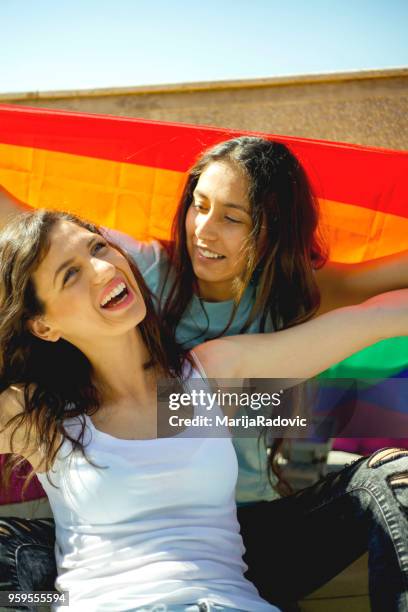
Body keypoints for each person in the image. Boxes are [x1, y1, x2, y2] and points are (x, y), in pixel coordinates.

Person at [0, 138, 408, 610]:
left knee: (387, 466)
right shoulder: (42, 410)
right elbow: (20, 229)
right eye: (70, 275)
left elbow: (379, 312)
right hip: (96, 593)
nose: (101, 267)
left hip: (242, 570)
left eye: (98, 247)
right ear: (43, 324)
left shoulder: (212, 370)